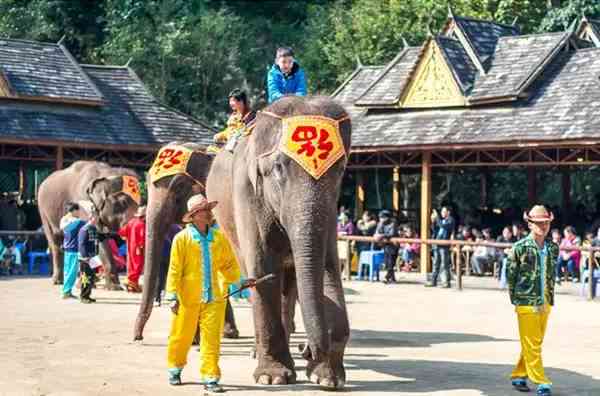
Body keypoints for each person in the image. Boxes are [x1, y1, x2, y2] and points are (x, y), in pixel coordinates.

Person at [165, 194, 242, 392]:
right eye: (205, 209)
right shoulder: (181, 239)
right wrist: (172, 295)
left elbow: (228, 264)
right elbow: (175, 268)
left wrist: (238, 282)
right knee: (182, 335)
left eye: (209, 209)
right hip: (187, 297)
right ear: (194, 215)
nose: (209, 213)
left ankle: (211, 376)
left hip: (215, 297)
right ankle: (174, 367)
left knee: (212, 338)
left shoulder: (218, 238)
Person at [507, 205, 558, 396]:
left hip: (546, 300)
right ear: (529, 224)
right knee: (533, 343)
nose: (543, 226)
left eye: (545, 223)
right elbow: (510, 275)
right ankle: (542, 381)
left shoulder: (553, 248)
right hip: (526, 302)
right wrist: (517, 299)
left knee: (533, 342)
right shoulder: (519, 248)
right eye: (538, 223)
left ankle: (519, 374)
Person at [211, 89, 257, 153]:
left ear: (241, 101)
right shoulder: (234, 116)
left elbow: (247, 131)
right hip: (229, 143)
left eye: (233, 101)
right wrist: (221, 135)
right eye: (230, 101)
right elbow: (229, 130)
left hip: (242, 146)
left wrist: (237, 135)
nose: (230, 103)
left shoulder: (251, 116)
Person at [60, 202, 86, 299]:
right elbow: (89, 226)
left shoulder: (64, 219)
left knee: (67, 270)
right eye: (78, 210)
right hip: (74, 248)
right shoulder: (78, 222)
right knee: (72, 271)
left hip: (67, 248)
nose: (79, 212)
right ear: (74, 210)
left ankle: (67, 291)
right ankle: (66, 292)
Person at [119, 206, 146, 293]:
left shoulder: (131, 222)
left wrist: (127, 238)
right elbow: (142, 237)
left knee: (131, 264)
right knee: (137, 265)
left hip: (130, 246)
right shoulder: (141, 224)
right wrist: (141, 246)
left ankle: (132, 283)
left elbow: (122, 233)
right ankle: (132, 283)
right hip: (138, 247)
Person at [426, 206, 455, 288]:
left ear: (448, 212)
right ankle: (433, 281)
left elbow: (443, 226)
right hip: (437, 244)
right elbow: (435, 230)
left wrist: (437, 217)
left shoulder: (451, 220)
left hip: (444, 246)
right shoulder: (441, 220)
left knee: (444, 264)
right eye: (441, 212)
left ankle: (446, 282)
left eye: (443, 211)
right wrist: (433, 222)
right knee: (436, 263)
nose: (442, 213)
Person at [78, 216, 99, 304]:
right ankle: (83, 296)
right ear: (90, 219)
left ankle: (88, 295)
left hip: (92, 256)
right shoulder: (84, 229)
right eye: (94, 219)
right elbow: (82, 244)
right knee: (85, 277)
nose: (96, 221)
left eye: (97, 219)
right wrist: (85, 256)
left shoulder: (93, 228)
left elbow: (96, 241)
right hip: (85, 258)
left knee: (91, 276)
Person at [374, 210, 399, 284]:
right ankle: (392, 278)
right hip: (385, 245)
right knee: (387, 262)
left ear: (387, 217)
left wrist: (382, 235)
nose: (381, 219)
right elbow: (378, 231)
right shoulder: (380, 223)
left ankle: (387, 277)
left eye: (382, 217)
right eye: (380, 217)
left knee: (391, 262)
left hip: (393, 245)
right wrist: (377, 234)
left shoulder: (393, 223)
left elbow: (392, 233)